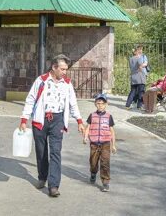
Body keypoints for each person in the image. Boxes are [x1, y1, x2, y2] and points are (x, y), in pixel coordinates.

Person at [19, 54, 84, 197]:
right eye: (62, 69)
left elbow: (73, 103)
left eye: (66, 69)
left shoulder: (67, 83)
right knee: (41, 150)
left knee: (55, 151)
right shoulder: (41, 81)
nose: (65, 72)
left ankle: (53, 185)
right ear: (54, 67)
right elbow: (30, 100)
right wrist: (24, 119)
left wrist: (79, 121)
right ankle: (42, 177)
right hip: (41, 119)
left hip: (58, 120)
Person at [83, 93, 116, 192]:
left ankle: (105, 182)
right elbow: (88, 127)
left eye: (102, 103)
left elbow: (112, 131)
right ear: (95, 104)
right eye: (98, 103)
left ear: (106, 104)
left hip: (105, 143)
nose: (100, 105)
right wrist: (85, 137)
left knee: (105, 162)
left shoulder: (109, 116)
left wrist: (113, 145)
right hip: (94, 143)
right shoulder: (92, 116)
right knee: (93, 162)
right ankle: (93, 173)